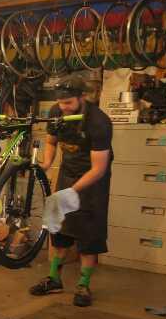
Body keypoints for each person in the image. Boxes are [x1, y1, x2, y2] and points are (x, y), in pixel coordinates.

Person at [29, 74, 114, 307]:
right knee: (59, 231)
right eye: (60, 102)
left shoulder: (99, 123)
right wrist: (46, 163)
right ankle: (54, 279)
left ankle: (83, 285)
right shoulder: (56, 113)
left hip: (93, 182)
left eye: (68, 103)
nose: (63, 107)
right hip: (68, 174)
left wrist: (72, 191)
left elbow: (99, 168)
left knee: (88, 236)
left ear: (82, 97)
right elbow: (51, 142)